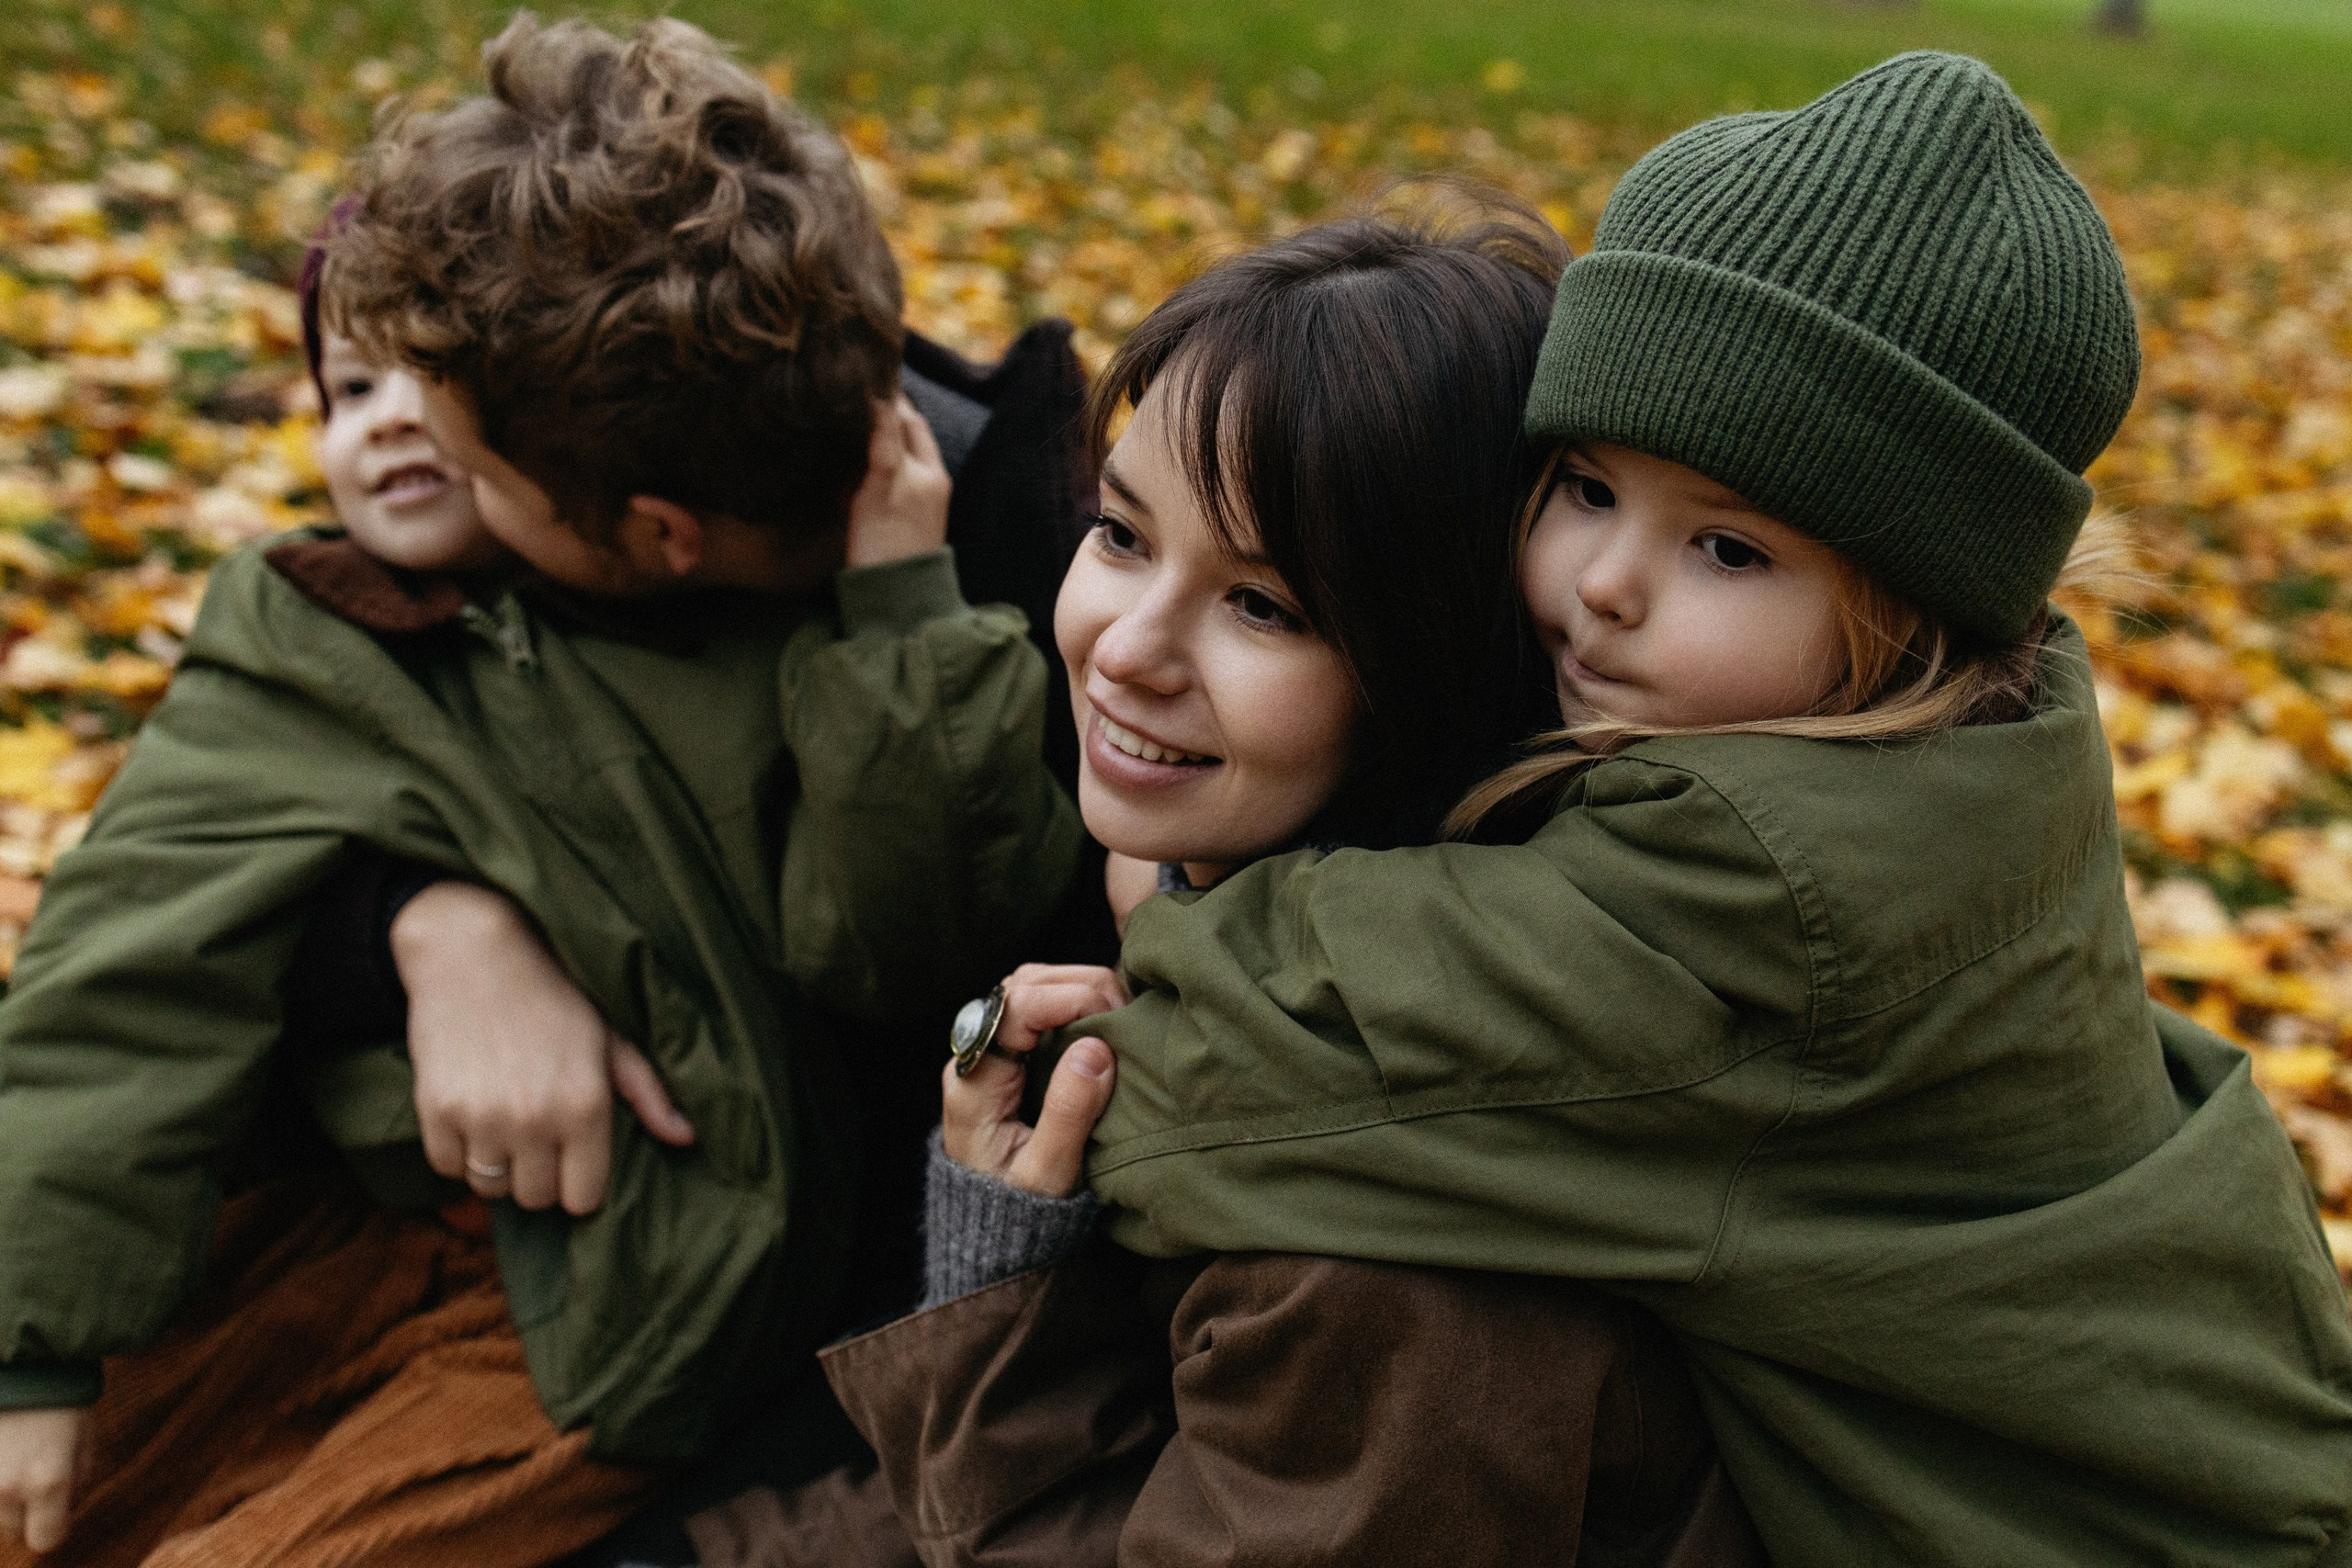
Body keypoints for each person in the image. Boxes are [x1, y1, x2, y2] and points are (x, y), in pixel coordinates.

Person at [947, 52, 2352, 1568]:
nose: (1609, 584)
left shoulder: (1779, 886)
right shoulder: (1970, 754)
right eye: (1587, 486)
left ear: (1907, 621)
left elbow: (1299, 1072)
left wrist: (1156, 941)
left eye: (1729, 551)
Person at [0, 16, 1081, 1565]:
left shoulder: (992, 576)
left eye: (468, 454)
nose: (407, 448)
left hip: (625, 1334)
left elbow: (901, 951)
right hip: (334, 1216)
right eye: (353, 391)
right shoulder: (357, 604)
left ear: (652, 538)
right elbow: (124, 979)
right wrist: (427, 924)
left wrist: (904, 621)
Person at [804, 200, 1763, 1568]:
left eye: (1263, 606)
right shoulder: (1234, 914)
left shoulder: (1400, 1251)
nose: (1126, 649)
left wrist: (998, 1292)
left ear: (1434, 675)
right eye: (1122, 534)